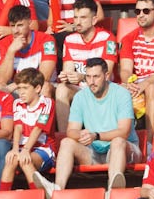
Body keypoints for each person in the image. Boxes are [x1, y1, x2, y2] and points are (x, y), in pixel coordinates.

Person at [52, 56, 134, 191]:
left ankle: (113, 192)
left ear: (107, 76)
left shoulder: (122, 94)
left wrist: (96, 135)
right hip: (94, 151)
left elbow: (124, 132)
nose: (91, 82)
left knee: (118, 141)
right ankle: (57, 190)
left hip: (124, 150)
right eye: (88, 77)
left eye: (96, 77)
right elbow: (71, 131)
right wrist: (80, 134)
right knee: (66, 142)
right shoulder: (80, 97)